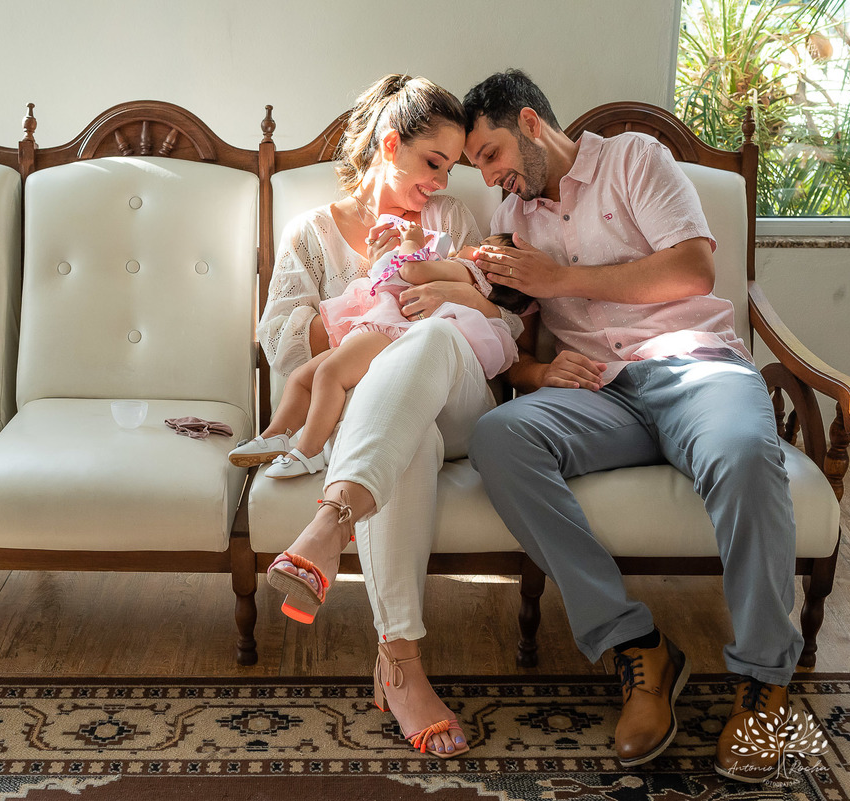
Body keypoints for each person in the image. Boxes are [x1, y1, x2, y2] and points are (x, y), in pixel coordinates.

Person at [463, 69, 802, 783]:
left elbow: (692, 270)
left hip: (694, 367)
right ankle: (638, 646)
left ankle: (766, 680)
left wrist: (557, 281)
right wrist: (532, 369)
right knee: (499, 437)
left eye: (490, 154)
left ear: (529, 123)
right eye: (476, 167)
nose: (491, 177)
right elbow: (508, 347)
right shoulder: (516, 223)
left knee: (744, 450)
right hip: (603, 394)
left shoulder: (634, 158)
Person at [256, 73, 520, 758]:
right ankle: (399, 665)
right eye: (432, 163)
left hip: (459, 397)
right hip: (387, 427)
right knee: (410, 442)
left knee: (431, 337)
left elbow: (506, 325)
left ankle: (329, 520)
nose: (441, 183)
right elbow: (280, 340)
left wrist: (440, 284)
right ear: (389, 143)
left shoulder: (455, 220)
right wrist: (372, 290)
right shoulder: (312, 232)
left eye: (452, 168)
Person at [232, 225, 526, 485]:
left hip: (394, 334)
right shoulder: (458, 268)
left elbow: (412, 271)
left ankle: (309, 451)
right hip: (381, 324)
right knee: (303, 377)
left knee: (329, 374)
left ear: (488, 258)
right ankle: (274, 437)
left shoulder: (469, 271)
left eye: (481, 243)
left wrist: (412, 241)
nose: (467, 247)